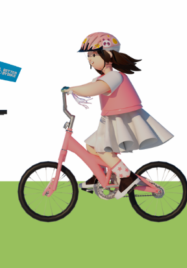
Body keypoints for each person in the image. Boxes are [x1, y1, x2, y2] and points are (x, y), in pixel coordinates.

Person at [62, 32, 173, 198]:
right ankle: (102, 176)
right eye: (88, 56)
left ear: (108, 55)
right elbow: (91, 85)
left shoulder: (114, 77)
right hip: (111, 119)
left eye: (93, 55)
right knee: (92, 146)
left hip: (123, 120)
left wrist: (73, 89)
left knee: (104, 150)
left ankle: (127, 178)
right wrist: (74, 88)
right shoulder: (103, 77)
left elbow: (96, 89)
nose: (90, 59)